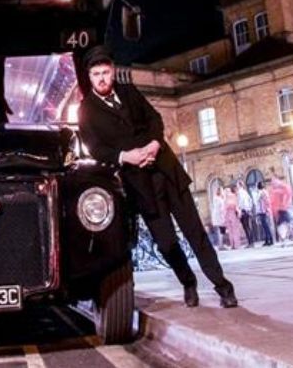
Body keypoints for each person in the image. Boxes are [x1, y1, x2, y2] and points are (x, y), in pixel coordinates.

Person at [77, 45, 238, 309]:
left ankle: (223, 286)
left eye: (106, 72)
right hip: (140, 185)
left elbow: (155, 120)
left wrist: (153, 144)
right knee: (166, 244)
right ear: (90, 77)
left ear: (113, 71)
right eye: (96, 74)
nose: (102, 78)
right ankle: (188, 282)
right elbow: (95, 147)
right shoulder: (87, 110)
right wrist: (126, 156)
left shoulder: (129, 92)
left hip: (166, 171)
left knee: (195, 233)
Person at [268, 172, 293, 244]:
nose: (272, 181)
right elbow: (271, 200)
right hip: (278, 209)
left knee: (283, 223)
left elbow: (288, 193)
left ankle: (285, 237)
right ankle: (284, 237)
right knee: (282, 223)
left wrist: (284, 203)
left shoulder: (282, 188)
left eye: (273, 179)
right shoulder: (273, 190)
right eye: (272, 180)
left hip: (282, 208)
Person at [254, 181, 274, 246]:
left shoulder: (260, 192)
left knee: (265, 226)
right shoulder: (265, 192)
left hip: (263, 211)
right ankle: (268, 239)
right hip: (265, 210)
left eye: (256, 186)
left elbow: (257, 201)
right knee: (266, 226)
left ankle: (269, 240)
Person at [236, 180, 255, 246]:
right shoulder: (245, 192)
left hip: (243, 211)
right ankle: (252, 242)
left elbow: (240, 202)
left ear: (240, 185)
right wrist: (249, 208)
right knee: (249, 227)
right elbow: (250, 200)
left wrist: (240, 210)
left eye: (237, 185)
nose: (236, 186)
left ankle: (250, 242)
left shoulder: (239, 192)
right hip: (248, 210)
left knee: (246, 227)